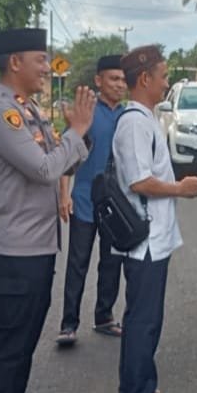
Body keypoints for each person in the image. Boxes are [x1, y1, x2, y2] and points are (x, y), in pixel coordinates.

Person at [0, 27, 95, 393]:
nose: (47, 67)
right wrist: (77, 132)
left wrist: (79, 137)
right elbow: (43, 169)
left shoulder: (28, 109)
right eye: (40, 60)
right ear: (15, 63)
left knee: (25, 335)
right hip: (11, 247)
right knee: (8, 339)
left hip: (37, 245)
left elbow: (62, 159)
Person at [113, 45, 197, 393]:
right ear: (144, 79)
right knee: (143, 320)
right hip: (145, 241)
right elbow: (139, 181)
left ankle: (136, 387)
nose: (167, 83)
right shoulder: (135, 123)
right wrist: (179, 188)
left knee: (145, 317)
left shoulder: (146, 119)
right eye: (163, 76)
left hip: (154, 238)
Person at [56, 55, 127, 346]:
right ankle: (68, 324)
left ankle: (104, 317)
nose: (119, 84)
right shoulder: (86, 113)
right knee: (78, 263)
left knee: (111, 262)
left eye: (123, 79)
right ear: (99, 81)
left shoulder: (127, 115)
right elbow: (67, 156)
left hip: (116, 204)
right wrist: (64, 195)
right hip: (84, 200)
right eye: (113, 78)